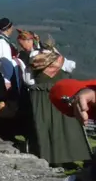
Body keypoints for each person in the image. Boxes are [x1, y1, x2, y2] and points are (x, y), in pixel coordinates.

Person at [21, 37, 89, 165]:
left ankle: (47, 156)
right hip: (59, 96)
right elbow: (72, 66)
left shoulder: (34, 60)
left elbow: (28, 81)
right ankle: (68, 156)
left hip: (41, 98)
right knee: (64, 126)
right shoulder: (61, 60)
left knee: (44, 126)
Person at [0, 18, 26, 142]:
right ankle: (3, 133)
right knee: (4, 103)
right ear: (7, 29)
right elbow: (4, 62)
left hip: (4, 75)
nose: (12, 29)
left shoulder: (2, 40)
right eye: (11, 27)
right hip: (3, 76)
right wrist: (7, 79)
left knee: (5, 103)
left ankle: (6, 132)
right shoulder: (1, 42)